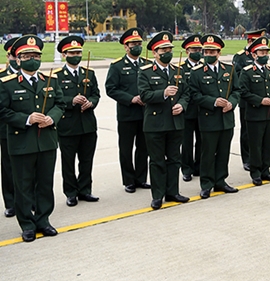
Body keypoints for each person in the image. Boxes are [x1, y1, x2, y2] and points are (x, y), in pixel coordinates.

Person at [0, 35, 65, 242]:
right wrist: (26, 119)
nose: (32, 59)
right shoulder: (6, 84)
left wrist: (51, 118)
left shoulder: (50, 81)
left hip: (46, 140)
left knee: (45, 184)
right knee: (24, 185)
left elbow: (60, 104)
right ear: (17, 60)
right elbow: (2, 111)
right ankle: (27, 223)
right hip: (21, 142)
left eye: (36, 55)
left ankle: (43, 220)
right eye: (27, 56)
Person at [138, 31, 190, 210]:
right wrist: (163, 93)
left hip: (176, 122)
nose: (167, 52)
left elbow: (186, 93)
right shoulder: (145, 72)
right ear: (154, 52)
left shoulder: (178, 71)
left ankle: (172, 192)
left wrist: (182, 105)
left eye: (169, 49)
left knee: (175, 159)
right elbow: (144, 95)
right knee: (157, 160)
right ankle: (158, 195)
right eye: (163, 49)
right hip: (155, 123)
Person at [186, 34, 240, 198]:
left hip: (226, 119)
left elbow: (237, 90)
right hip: (209, 118)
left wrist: (231, 102)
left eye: (212, 52)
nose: (209, 55)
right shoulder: (196, 73)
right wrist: (214, 102)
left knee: (224, 152)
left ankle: (221, 181)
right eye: (206, 52)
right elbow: (194, 95)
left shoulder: (229, 70)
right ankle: (206, 183)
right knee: (208, 153)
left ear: (219, 52)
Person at [53, 35, 101, 206]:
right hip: (68, 125)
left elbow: (96, 94)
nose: (76, 55)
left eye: (78, 52)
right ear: (64, 54)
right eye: (72, 52)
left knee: (86, 160)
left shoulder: (89, 73)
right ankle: (71, 192)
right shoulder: (57, 76)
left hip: (88, 124)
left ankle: (85, 189)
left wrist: (92, 102)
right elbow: (54, 100)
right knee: (68, 161)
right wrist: (71, 101)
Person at [105, 27, 151, 193]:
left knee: (143, 148)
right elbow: (111, 88)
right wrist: (130, 99)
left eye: (139, 43)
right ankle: (128, 180)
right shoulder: (117, 66)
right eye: (133, 44)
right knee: (126, 149)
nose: (137, 46)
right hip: (127, 114)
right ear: (126, 46)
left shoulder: (147, 64)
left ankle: (141, 178)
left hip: (145, 113)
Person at [238, 37, 270, 185]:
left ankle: (265, 170)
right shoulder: (247, 72)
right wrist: (260, 100)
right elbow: (243, 92)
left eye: (266, 52)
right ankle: (255, 172)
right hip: (255, 114)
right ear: (254, 55)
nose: (265, 55)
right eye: (261, 52)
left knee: (267, 143)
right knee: (255, 145)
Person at [233, 28, 265, 171]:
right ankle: (247, 159)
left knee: (261, 132)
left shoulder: (261, 56)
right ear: (250, 41)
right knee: (247, 132)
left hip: (262, 99)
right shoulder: (240, 57)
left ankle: (260, 159)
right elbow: (237, 77)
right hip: (247, 100)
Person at [180, 35, 203, 182]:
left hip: (202, 110)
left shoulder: (203, 66)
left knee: (201, 141)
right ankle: (186, 169)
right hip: (187, 111)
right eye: (194, 49)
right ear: (187, 51)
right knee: (187, 142)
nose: (197, 52)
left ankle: (198, 167)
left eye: (199, 49)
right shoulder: (181, 68)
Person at [1, 37, 19, 217]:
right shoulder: (1, 77)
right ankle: (11, 202)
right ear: (9, 56)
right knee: (8, 167)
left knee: (33, 168)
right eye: (15, 55)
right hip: (7, 129)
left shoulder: (32, 75)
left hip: (31, 128)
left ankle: (31, 200)